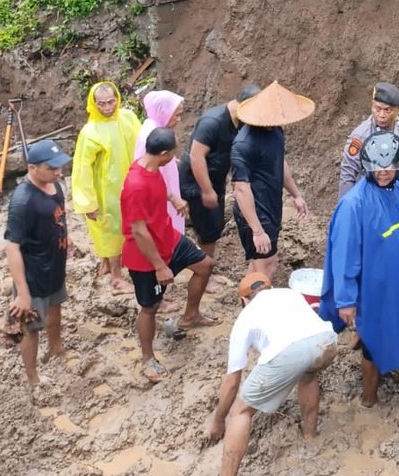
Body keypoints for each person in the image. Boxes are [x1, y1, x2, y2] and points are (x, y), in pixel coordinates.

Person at [319, 131, 399, 406]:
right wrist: (346, 300)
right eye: (377, 169)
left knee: (397, 324)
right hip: (372, 288)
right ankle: (368, 398)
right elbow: (344, 256)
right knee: (372, 342)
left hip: (397, 282)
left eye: (389, 168)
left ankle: (384, 359)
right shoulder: (354, 205)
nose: (383, 174)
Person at [207, 272, 340, 476]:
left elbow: (232, 382)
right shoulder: (290, 294)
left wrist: (219, 419)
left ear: (243, 300)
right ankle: (310, 435)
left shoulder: (245, 317)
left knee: (241, 411)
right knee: (308, 375)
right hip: (327, 341)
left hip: (292, 352)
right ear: (269, 288)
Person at [121, 128, 218, 383]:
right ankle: (147, 358)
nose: (175, 155)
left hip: (169, 239)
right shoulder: (135, 184)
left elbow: (159, 188)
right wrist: (159, 266)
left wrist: (173, 199)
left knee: (205, 265)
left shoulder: (151, 168)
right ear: (163, 153)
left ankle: (191, 316)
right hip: (146, 256)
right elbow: (139, 232)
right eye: (173, 151)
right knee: (150, 307)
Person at [4, 140, 74, 387]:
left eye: (59, 166)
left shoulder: (54, 186)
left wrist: (66, 238)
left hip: (55, 265)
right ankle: (33, 377)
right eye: (51, 168)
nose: (58, 172)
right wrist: (23, 293)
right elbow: (12, 247)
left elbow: (58, 217)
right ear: (32, 168)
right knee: (30, 326)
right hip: (33, 275)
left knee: (56, 307)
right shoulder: (23, 202)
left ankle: (56, 348)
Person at [230, 81, 314, 281]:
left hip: (271, 204)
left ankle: (247, 303)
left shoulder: (275, 130)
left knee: (263, 263)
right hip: (255, 212)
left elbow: (279, 162)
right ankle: (255, 307)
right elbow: (241, 190)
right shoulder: (243, 144)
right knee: (265, 265)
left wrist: (296, 194)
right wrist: (257, 231)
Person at [72, 81, 141, 295]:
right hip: (106, 190)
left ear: (117, 99)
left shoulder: (128, 118)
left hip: (132, 183)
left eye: (111, 102)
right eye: (101, 104)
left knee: (134, 225)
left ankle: (114, 264)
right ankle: (117, 278)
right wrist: (88, 202)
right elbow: (82, 168)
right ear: (94, 104)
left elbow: (142, 144)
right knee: (110, 230)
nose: (107, 107)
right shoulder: (90, 131)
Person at [179, 85, 261, 260]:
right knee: (208, 229)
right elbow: (196, 157)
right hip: (196, 181)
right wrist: (207, 190)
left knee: (214, 227)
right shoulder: (213, 122)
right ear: (243, 106)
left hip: (215, 180)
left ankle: (206, 269)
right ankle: (205, 273)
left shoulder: (239, 122)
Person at [339, 82, 399, 200]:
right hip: (373, 199)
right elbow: (348, 175)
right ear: (372, 106)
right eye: (377, 109)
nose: (382, 115)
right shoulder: (360, 137)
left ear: (398, 110)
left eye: (388, 110)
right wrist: (346, 208)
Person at [133, 90, 187, 235]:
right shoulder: (150, 137)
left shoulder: (156, 128)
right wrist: (173, 198)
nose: (179, 119)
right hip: (161, 199)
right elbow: (150, 176)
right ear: (164, 113)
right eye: (176, 115)